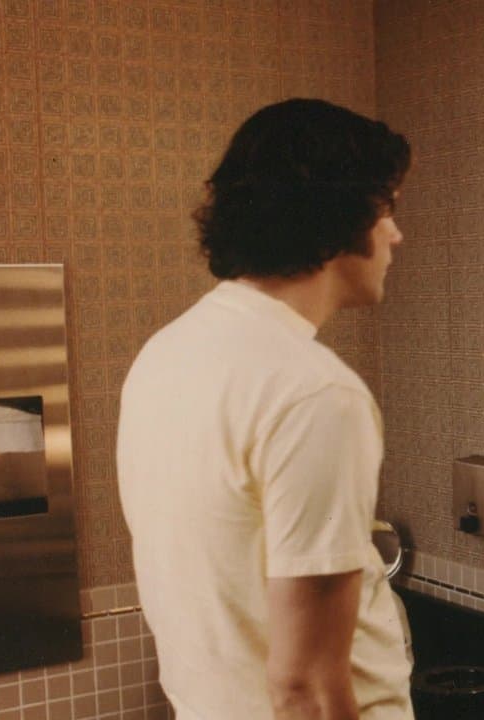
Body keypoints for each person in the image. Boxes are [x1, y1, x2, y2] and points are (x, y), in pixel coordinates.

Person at [116, 99, 413, 719]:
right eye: (386, 208)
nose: (395, 234)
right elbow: (304, 686)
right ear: (337, 215)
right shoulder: (316, 394)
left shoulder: (165, 353)